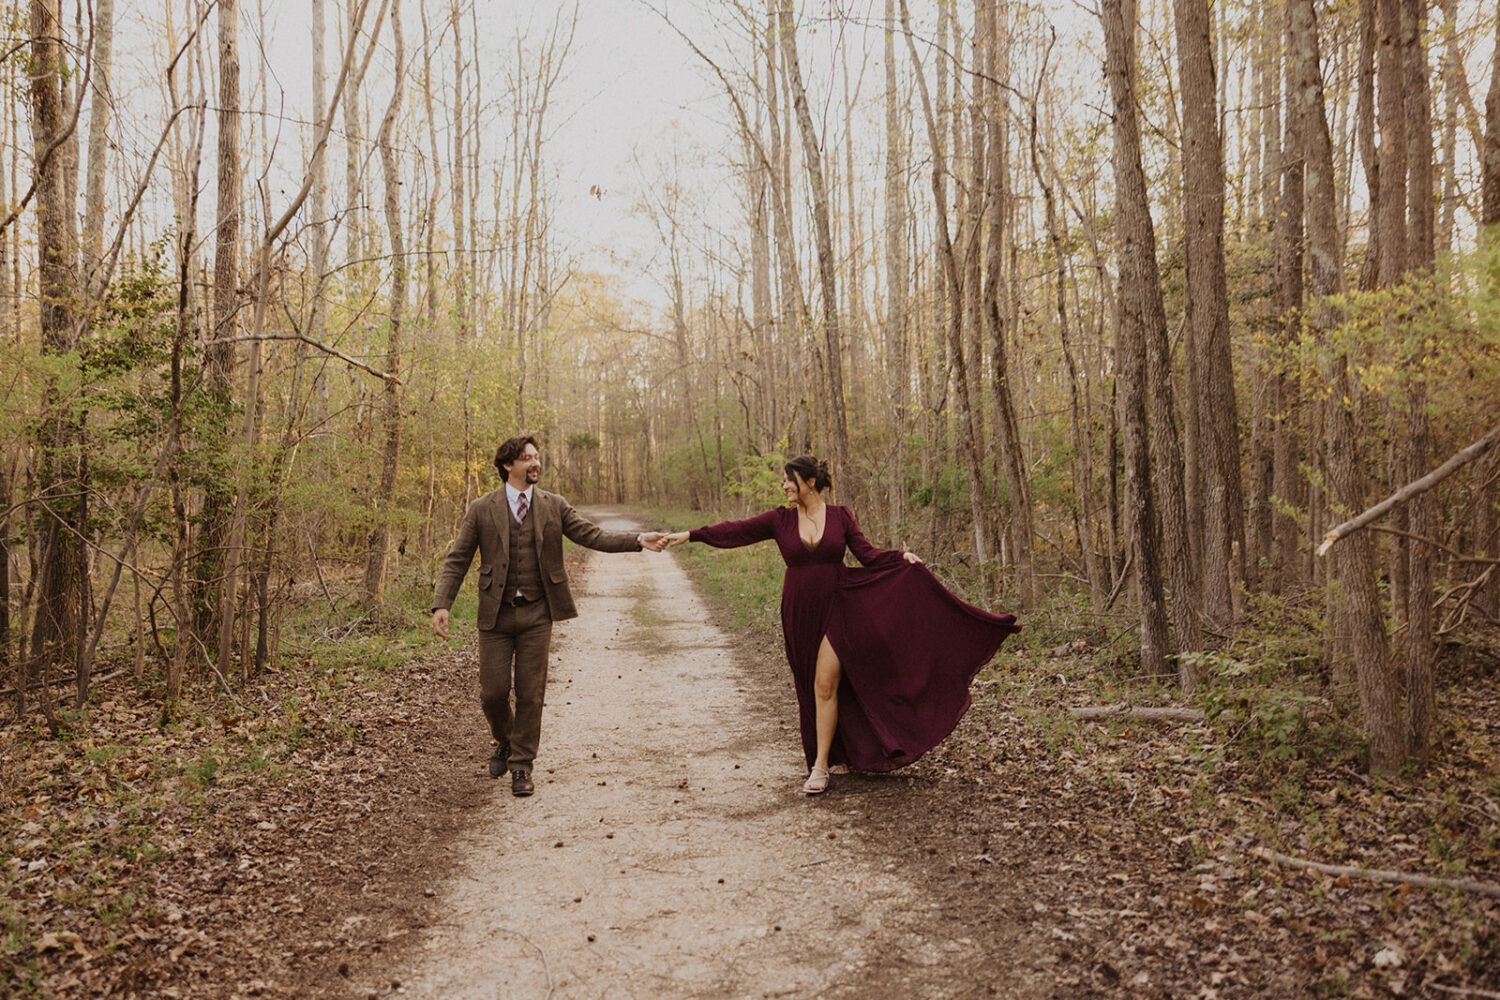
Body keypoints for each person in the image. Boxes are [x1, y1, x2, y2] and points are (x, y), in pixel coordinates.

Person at [663, 456, 1019, 795]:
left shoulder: (841, 516)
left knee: (824, 683)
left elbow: (867, 554)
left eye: (789, 479)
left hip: (838, 604)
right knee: (811, 685)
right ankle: (838, 754)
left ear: (810, 482)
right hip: (799, 610)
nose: (784, 485)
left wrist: (901, 557)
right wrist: (688, 535)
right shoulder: (780, 519)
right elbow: (735, 531)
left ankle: (819, 766)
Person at [432, 434, 667, 797]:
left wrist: (637, 540)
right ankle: (506, 740)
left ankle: (522, 765)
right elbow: (458, 558)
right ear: (508, 465)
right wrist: (442, 603)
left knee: (531, 693)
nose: (535, 463)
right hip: (495, 616)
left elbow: (594, 536)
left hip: (538, 614)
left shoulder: (553, 505)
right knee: (493, 694)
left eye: (537, 456)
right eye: (527, 458)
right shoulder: (482, 508)